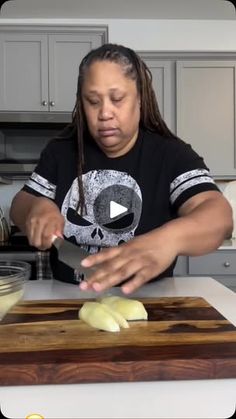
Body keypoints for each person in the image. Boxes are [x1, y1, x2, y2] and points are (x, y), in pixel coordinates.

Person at [10, 43, 233, 294]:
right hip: (67, 299)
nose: (105, 112)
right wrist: (36, 207)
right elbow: (20, 204)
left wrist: (169, 239)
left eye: (117, 99)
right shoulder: (61, 151)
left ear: (139, 99)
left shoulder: (171, 154)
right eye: (93, 101)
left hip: (149, 303)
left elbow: (220, 217)